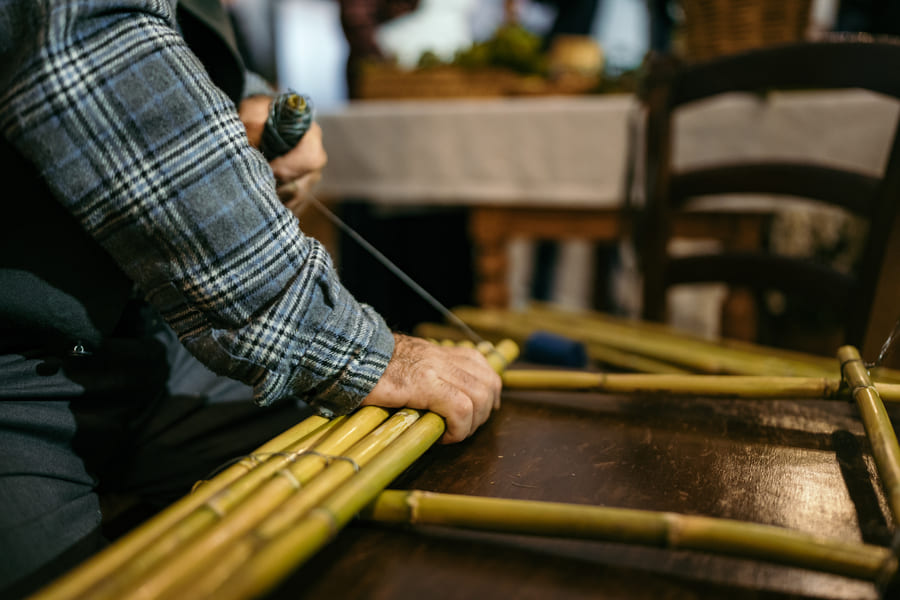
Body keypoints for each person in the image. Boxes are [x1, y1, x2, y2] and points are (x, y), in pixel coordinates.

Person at [0, 1, 501, 597]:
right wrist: (342, 345)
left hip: (149, 343)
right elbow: (85, 45)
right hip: (14, 371)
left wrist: (243, 103)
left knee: (414, 471)